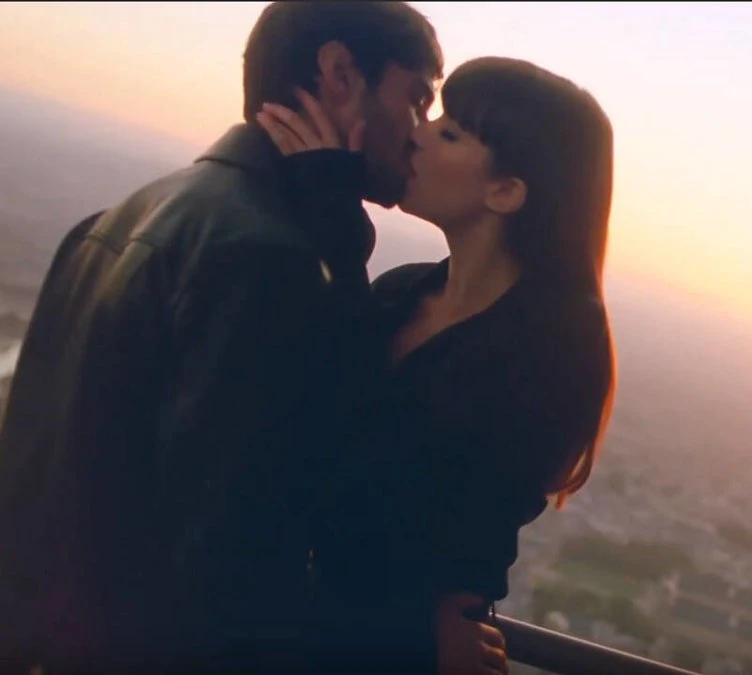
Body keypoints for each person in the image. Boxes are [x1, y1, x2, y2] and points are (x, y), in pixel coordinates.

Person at [0, 3, 493, 672]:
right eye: (416, 99)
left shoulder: (119, 217)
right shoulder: (268, 259)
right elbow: (239, 547)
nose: (418, 133)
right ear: (339, 74)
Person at [255, 55, 618, 673]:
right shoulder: (402, 292)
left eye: (449, 133)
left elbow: (400, 506)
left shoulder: (550, 354)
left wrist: (435, 623)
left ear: (506, 192)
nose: (417, 133)